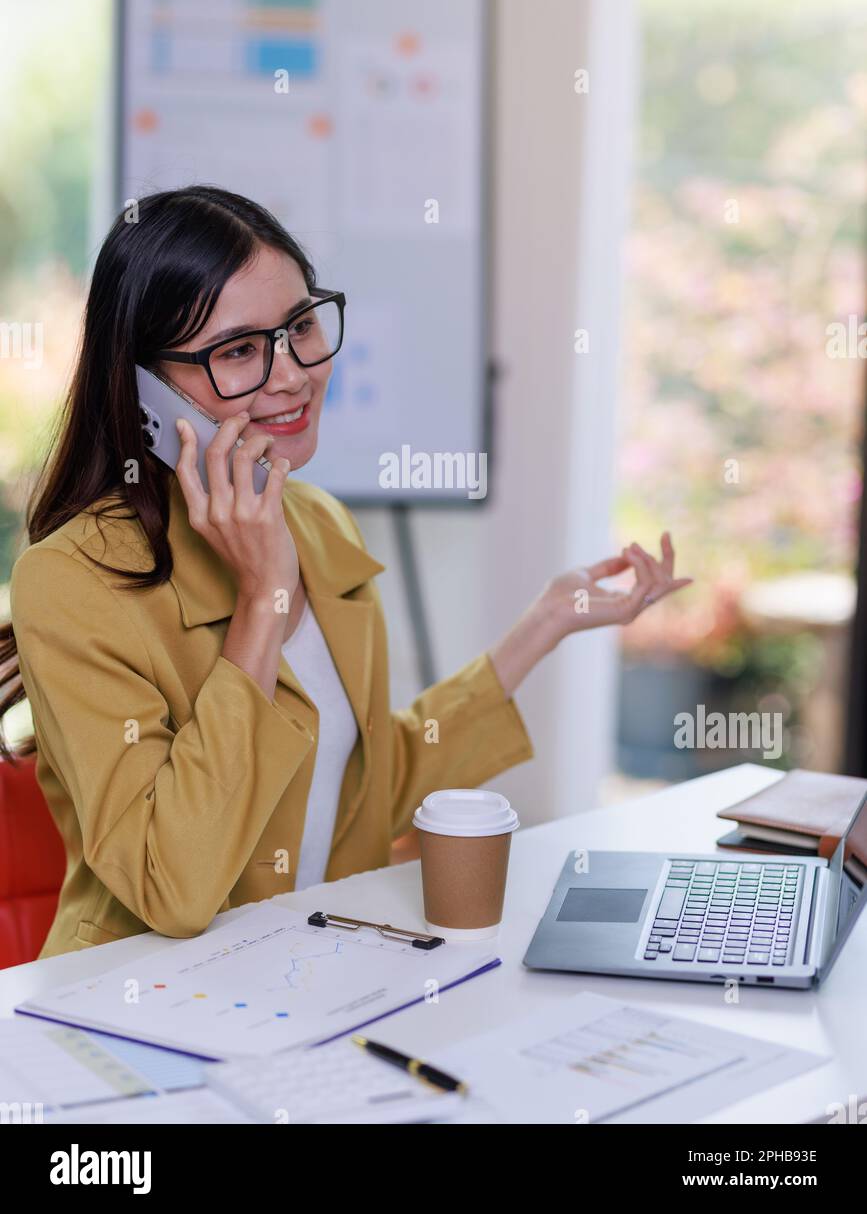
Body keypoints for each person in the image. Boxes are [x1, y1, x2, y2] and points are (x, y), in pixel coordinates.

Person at [4, 186, 691, 958]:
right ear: (146, 392)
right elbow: (173, 886)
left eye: (299, 326)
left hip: (318, 975)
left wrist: (547, 622)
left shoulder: (317, 524)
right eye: (238, 350)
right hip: (134, 1009)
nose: (293, 373)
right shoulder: (73, 580)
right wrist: (261, 602)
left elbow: (370, 785)